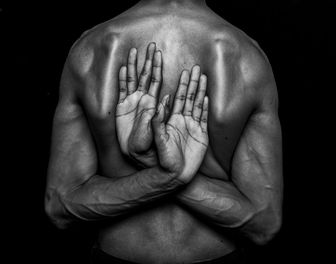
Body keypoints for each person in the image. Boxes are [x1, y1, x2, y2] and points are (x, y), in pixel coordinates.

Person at [45, 0, 283, 263]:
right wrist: (168, 177)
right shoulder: (248, 59)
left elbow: (61, 208)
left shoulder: (89, 50)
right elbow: (263, 224)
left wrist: (156, 171)